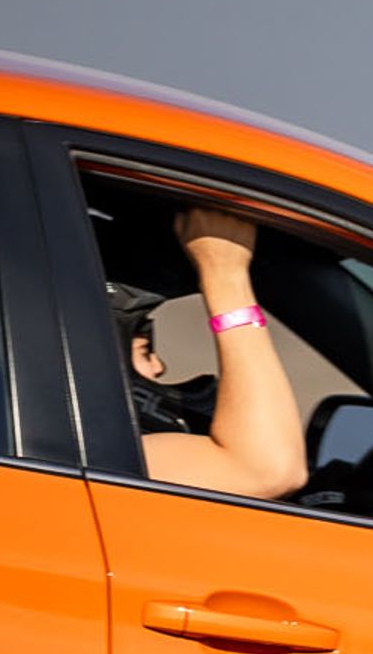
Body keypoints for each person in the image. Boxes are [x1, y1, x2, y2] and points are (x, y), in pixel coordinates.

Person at [114, 209, 309, 499]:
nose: (158, 366)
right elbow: (268, 470)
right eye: (145, 349)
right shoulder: (82, 457)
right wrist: (224, 273)